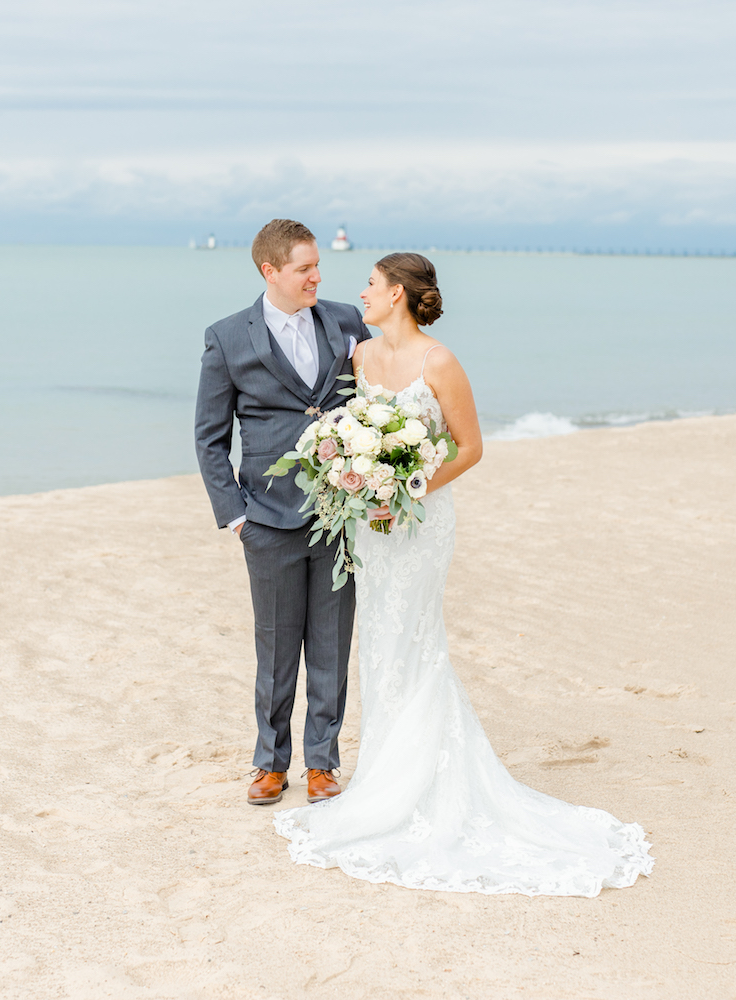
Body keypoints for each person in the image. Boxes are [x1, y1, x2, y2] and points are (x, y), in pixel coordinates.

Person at [271, 253, 655, 896]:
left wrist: (408, 488)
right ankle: (382, 781)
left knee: (416, 641)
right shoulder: (361, 358)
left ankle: (422, 788)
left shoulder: (440, 362)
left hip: (419, 524)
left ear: (395, 293)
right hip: (372, 525)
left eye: (369, 284)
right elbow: (354, 431)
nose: (359, 292)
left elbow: (469, 447)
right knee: (381, 647)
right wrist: (363, 482)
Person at [194, 219, 373, 806]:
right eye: (304, 268)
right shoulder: (227, 338)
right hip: (267, 520)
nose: (316, 275)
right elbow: (210, 437)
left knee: (331, 643)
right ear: (270, 271)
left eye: (318, 265)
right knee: (274, 649)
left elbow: (375, 394)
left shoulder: (346, 320)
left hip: (337, 512)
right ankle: (270, 763)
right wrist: (236, 516)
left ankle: (323, 763)